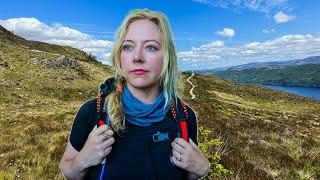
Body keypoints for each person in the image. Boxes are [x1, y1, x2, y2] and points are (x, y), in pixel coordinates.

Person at [60, 8, 210, 179]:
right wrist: (81, 161)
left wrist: (201, 168)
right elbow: (68, 170)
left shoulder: (184, 117)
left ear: (167, 57)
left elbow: (187, 173)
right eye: (128, 47)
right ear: (120, 55)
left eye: (151, 47)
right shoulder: (92, 112)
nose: (137, 57)